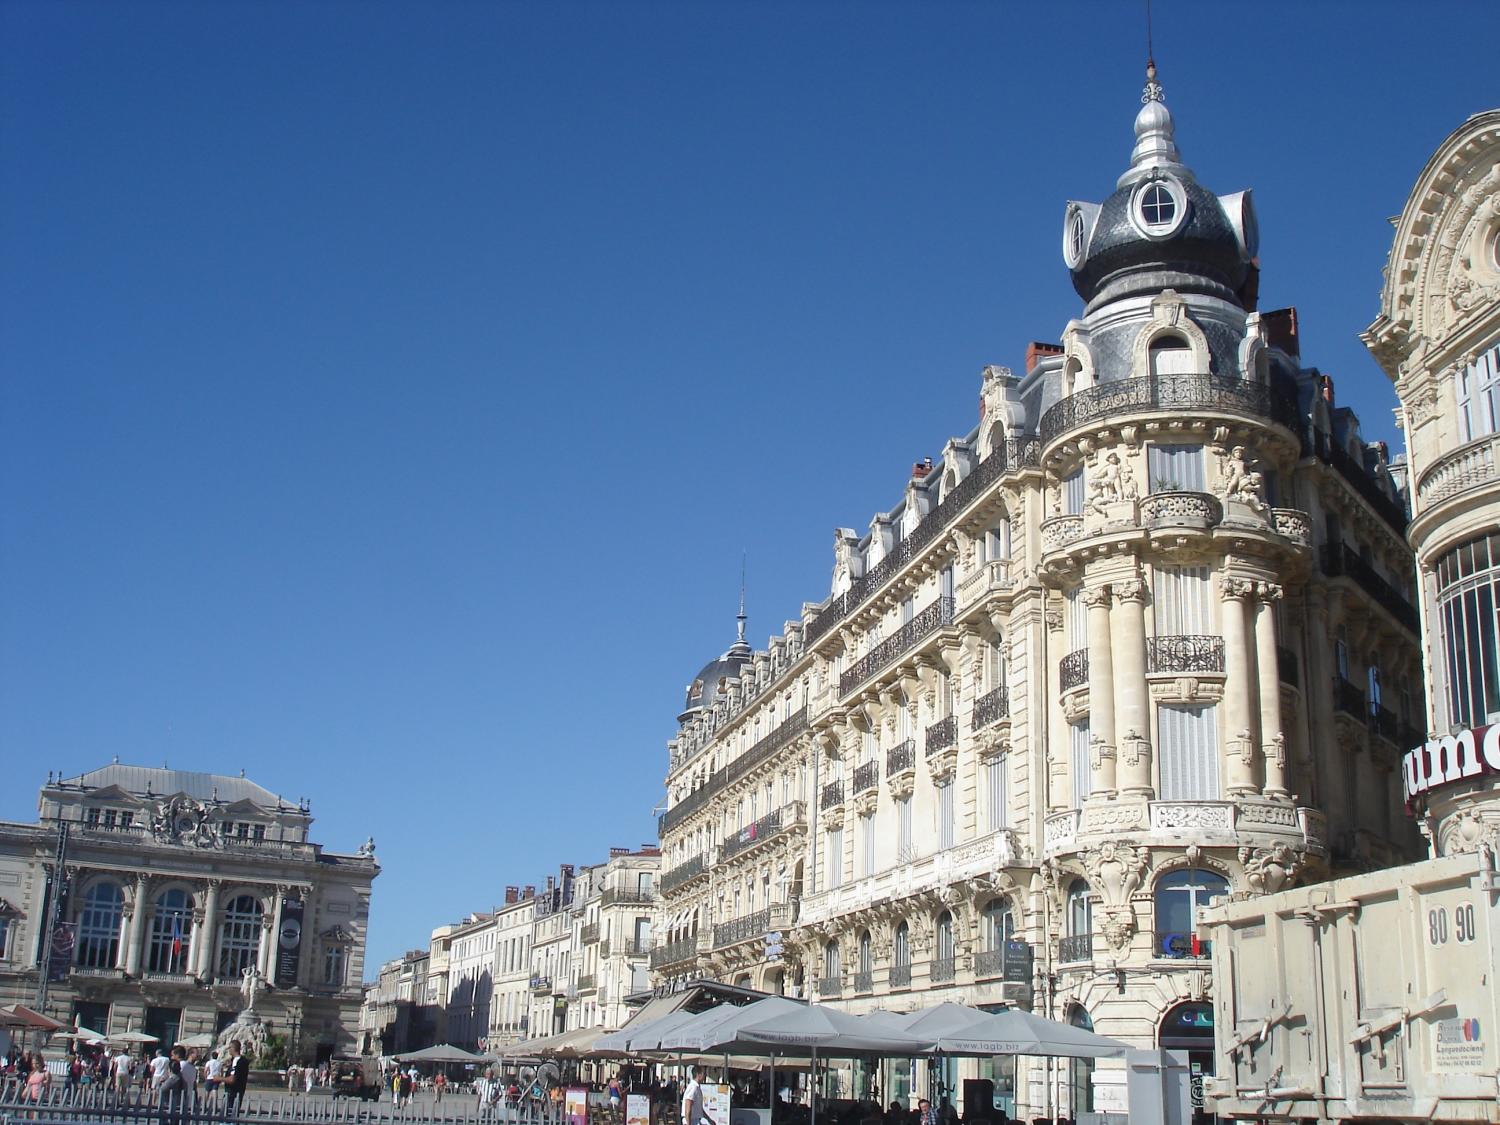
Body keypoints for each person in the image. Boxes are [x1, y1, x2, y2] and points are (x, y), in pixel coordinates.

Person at [223, 1041, 249, 1113]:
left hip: (232, 1092)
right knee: (234, 1112)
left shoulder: (236, 1061)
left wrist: (218, 1078)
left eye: (229, 1048)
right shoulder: (244, 1061)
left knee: (228, 1113)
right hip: (239, 1091)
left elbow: (232, 1079)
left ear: (233, 1048)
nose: (229, 1050)